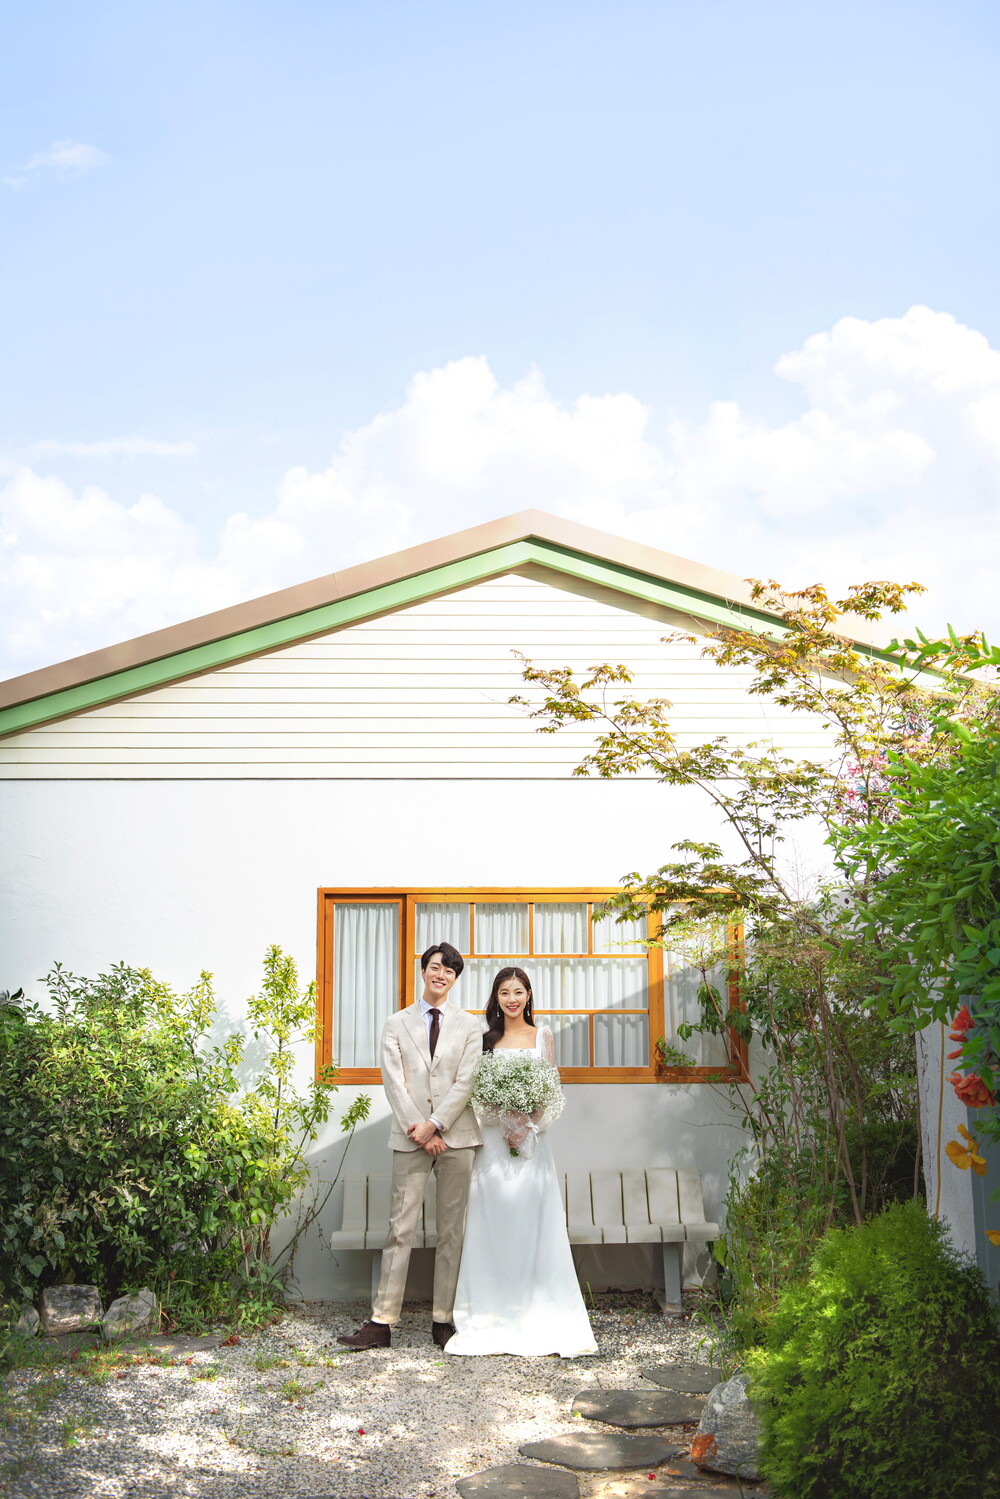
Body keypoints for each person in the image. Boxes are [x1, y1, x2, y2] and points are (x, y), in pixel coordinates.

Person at [445, 966, 597, 1358]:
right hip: (493, 1146)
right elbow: (475, 1093)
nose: (511, 999)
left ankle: (536, 1311)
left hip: (532, 1145)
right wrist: (503, 1120)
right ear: (496, 998)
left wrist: (526, 1124)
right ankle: (489, 1311)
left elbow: (550, 1089)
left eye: (518, 992)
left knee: (533, 1222)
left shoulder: (542, 1036)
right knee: (492, 1224)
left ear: (528, 995)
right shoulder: (485, 1040)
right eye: (504, 992)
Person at [338, 942, 483, 1350]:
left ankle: (443, 1319)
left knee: (451, 1231)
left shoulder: (469, 1026)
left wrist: (436, 1125)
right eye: (435, 967)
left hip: (456, 1137)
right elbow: (393, 1081)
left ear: (455, 978)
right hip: (410, 1137)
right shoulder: (396, 1022)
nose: (441, 975)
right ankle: (381, 1322)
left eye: (449, 970)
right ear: (423, 971)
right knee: (399, 1229)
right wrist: (419, 1128)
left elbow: (466, 1081)